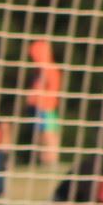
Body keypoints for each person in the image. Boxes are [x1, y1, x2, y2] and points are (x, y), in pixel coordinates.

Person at [27, 39, 63, 169]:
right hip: (38, 108)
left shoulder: (50, 69)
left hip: (47, 107)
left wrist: (38, 96)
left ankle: (52, 160)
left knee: (49, 134)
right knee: (42, 134)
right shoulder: (38, 71)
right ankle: (44, 160)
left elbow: (52, 88)